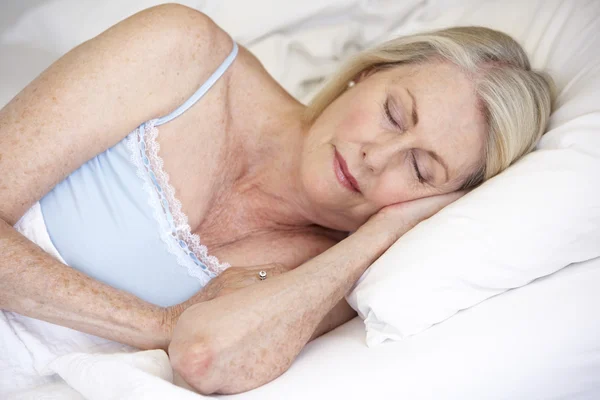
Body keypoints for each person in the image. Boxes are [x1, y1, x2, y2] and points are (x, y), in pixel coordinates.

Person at [0, 3, 554, 395]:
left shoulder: (330, 273)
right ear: (366, 75)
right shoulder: (183, 52)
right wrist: (162, 323)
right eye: (393, 114)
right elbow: (182, 339)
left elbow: (206, 358)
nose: (375, 157)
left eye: (419, 168)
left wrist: (381, 236)